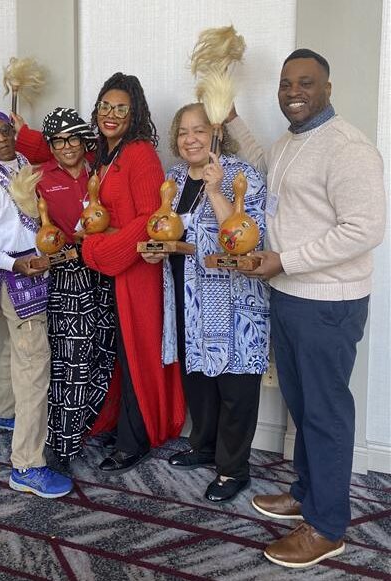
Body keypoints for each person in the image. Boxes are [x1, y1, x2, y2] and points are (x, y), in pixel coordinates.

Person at [225, 49, 386, 567]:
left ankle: (328, 526)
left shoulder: (347, 148)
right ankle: (306, 495)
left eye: (306, 83)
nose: (294, 91)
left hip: (328, 304)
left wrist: (285, 259)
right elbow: (262, 165)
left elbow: (365, 230)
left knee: (325, 414)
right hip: (292, 296)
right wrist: (230, 120)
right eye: (286, 83)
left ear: (328, 89)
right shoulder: (292, 142)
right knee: (303, 409)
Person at [142, 103, 269, 502]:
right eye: (182, 132)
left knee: (234, 385)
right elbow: (168, 231)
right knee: (198, 378)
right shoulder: (174, 179)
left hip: (233, 302)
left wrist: (215, 191)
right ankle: (205, 446)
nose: (190, 139)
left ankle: (233, 471)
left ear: (215, 132)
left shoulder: (241, 175)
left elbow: (252, 237)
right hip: (188, 297)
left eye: (198, 130)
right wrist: (156, 251)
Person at [0, 110, 73, 498]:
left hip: (36, 266)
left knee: (19, 348)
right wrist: (14, 263)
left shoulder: (24, 163)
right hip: (14, 273)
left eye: (5, 131)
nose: (0, 139)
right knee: (34, 365)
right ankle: (27, 464)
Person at [81, 72, 186, 473]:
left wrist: (100, 250)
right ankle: (118, 423)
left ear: (135, 113)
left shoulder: (140, 153)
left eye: (121, 108)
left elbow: (149, 219)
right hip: (112, 270)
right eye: (105, 106)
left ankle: (135, 439)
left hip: (136, 271)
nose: (111, 114)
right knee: (116, 355)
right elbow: (50, 146)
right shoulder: (103, 153)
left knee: (137, 354)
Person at [37, 107, 116, 463]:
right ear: (50, 145)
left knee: (103, 355)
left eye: (72, 138)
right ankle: (61, 446)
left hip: (105, 271)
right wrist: (65, 251)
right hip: (68, 278)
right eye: (57, 140)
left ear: (84, 140)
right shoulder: (38, 179)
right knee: (70, 363)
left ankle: (83, 427)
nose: (65, 146)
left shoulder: (101, 171)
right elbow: (33, 237)